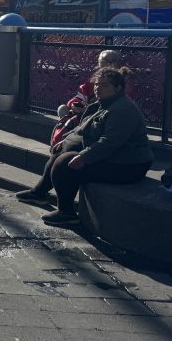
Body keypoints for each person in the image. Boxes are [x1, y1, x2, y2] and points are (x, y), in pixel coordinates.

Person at [16, 67, 153, 227]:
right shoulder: (103, 103)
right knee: (58, 156)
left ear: (118, 88)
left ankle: (66, 213)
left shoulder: (122, 109)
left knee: (64, 164)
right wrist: (65, 140)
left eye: (104, 85)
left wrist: (85, 157)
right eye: (97, 84)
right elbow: (83, 128)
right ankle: (39, 193)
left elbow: (110, 142)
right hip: (112, 156)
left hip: (128, 164)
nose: (98, 88)